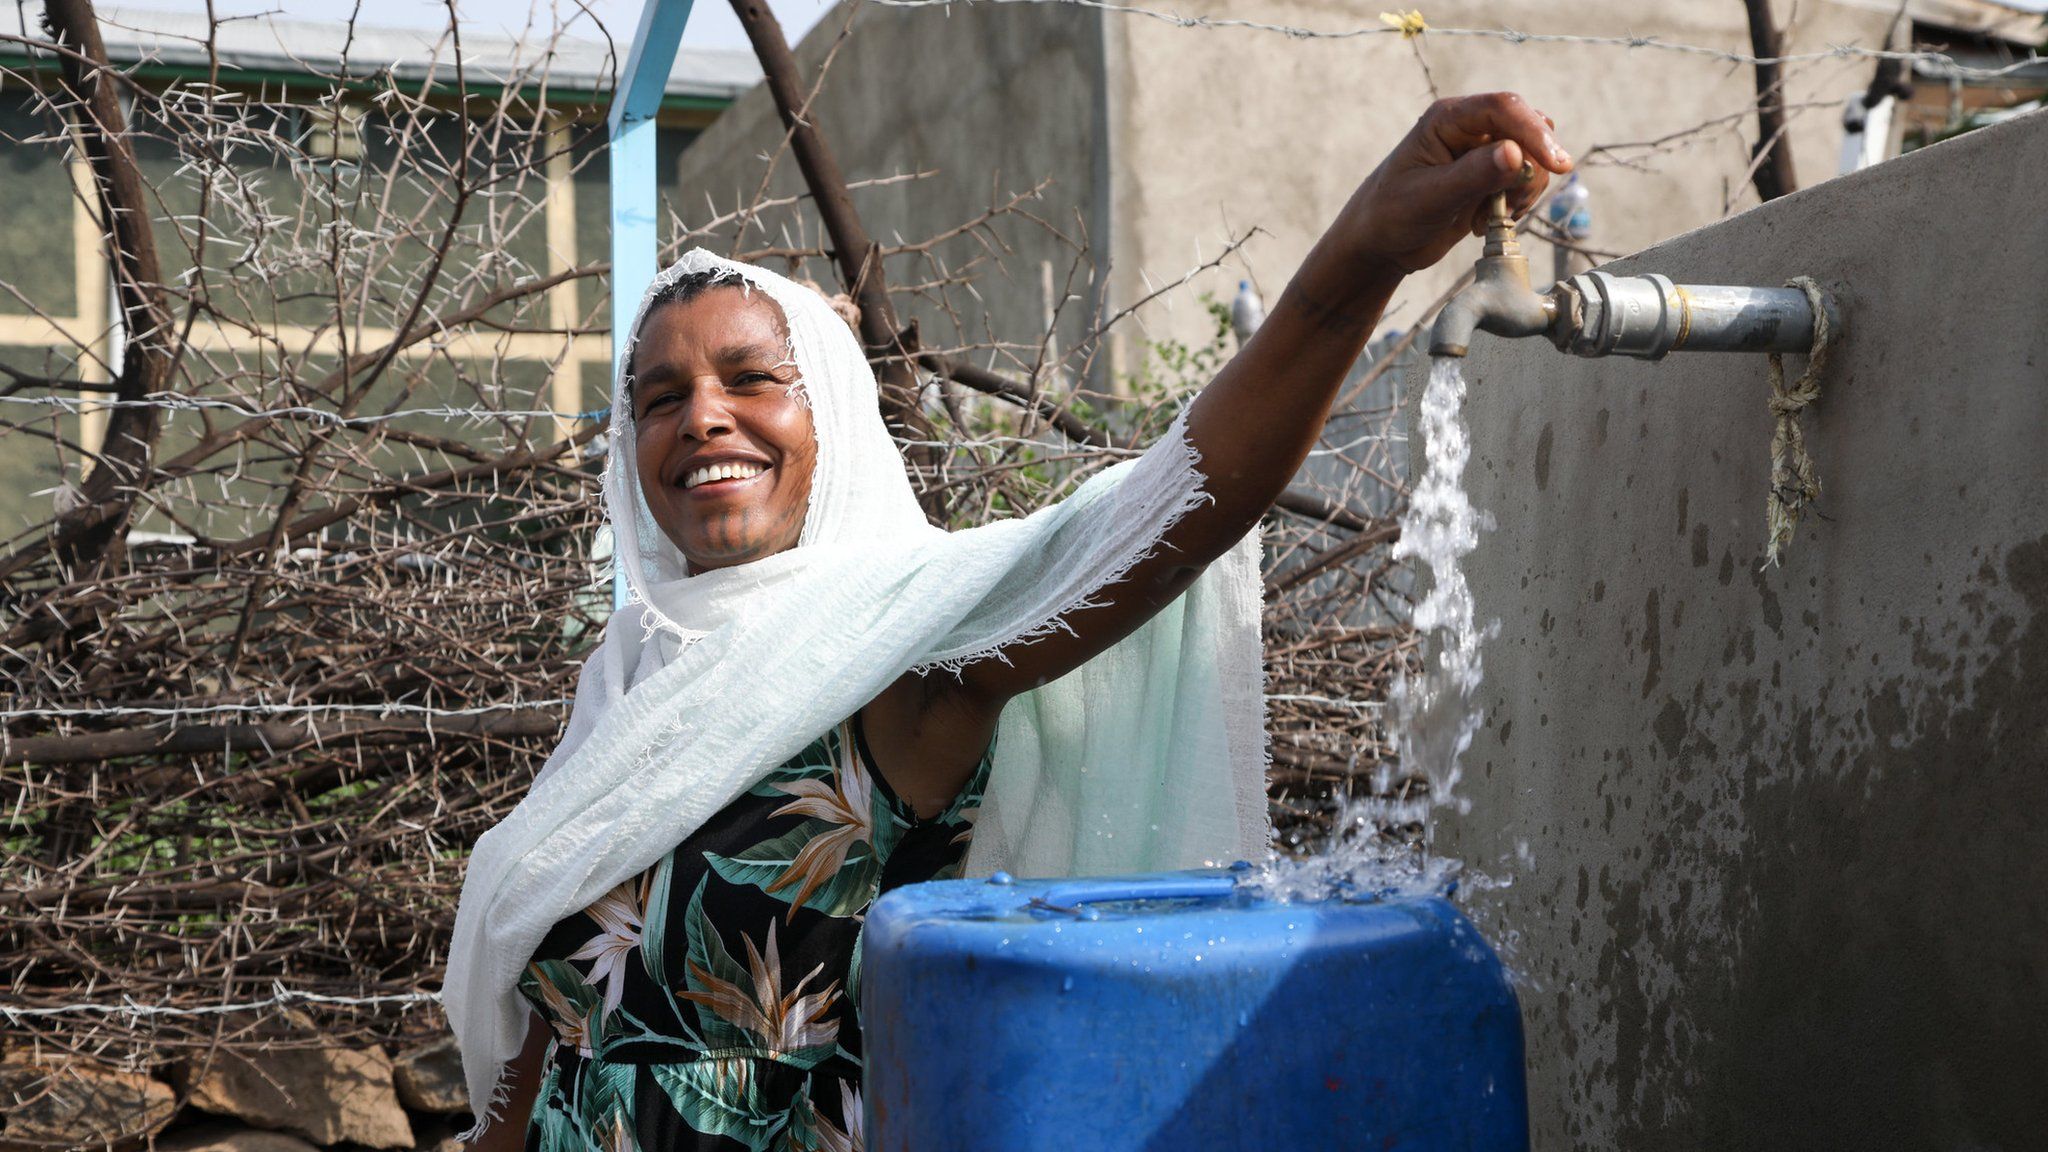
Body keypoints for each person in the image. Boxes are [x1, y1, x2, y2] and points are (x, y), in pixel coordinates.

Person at [452, 93, 1570, 1151]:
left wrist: (1361, 257)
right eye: (658, 397)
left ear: (830, 417)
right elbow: (548, 1021)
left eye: (751, 380)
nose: (701, 418)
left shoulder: (900, 660)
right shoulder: (634, 676)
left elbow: (1176, 503)